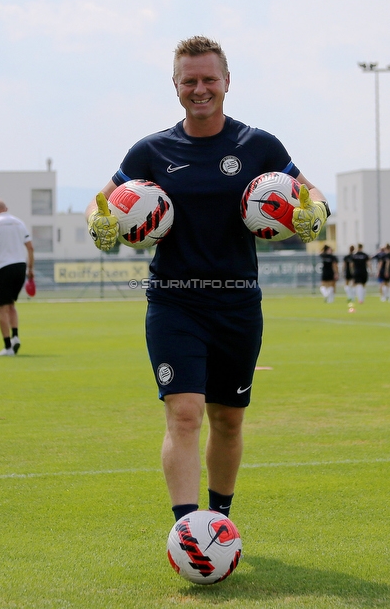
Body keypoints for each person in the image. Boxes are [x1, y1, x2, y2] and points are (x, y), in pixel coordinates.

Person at [84, 36, 329, 523]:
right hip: (174, 303)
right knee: (185, 413)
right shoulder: (151, 150)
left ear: (226, 82)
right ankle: (188, 530)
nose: (200, 89)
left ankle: (219, 519)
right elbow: (100, 200)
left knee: (229, 420)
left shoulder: (257, 145)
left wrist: (316, 209)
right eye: (189, 80)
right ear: (175, 85)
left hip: (238, 305)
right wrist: (99, 221)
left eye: (209, 79)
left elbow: (309, 190)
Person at [0, 199, 34, 356]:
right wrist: (30, 269)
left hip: (4, 268)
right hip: (20, 267)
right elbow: (30, 247)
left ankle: (8, 347)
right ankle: (15, 336)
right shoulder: (19, 223)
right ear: (6, 208)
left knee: (1, 308)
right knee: (11, 304)